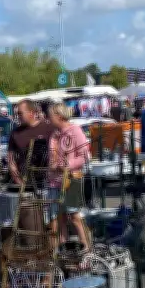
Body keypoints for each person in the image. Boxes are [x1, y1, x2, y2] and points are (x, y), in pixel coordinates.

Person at [47, 102, 91, 249]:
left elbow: (85, 156)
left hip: (71, 180)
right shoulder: (54, 135)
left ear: (59, 117)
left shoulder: (75, 131)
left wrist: (67, 165)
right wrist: (53, 164)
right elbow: (52, 157)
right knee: (60, 218)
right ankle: (64, 249)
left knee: (74, 216)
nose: (48, 119)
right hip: (54, 181)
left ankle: (85, 248)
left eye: (50, 116)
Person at [7, 99, 56, 189]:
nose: (18, 116)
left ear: (31, 113)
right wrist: (19, 182)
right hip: (27, 182)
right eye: (17, 114)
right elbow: (11, 160)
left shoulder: (49, 128)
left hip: (49, 181)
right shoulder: (15, 133)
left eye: (20, 113)